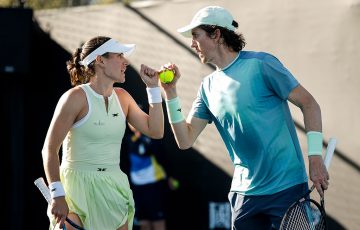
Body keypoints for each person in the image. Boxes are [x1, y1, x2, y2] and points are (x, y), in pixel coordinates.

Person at [160, 6, 329, 229]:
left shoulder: (262, 65)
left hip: (286, 187)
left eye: (195, 35)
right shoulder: (207, 87)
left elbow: (310, 104)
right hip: (244, 195)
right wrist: (170, 93)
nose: (192, 43)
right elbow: (185, 139)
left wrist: (315, 157)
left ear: (216, 34)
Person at [41, 36, 164, 230]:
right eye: (119, 55)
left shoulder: (123, 98)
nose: (125, 61)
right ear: (100, 60)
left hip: (113, 187)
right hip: (75, 189)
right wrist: (57, 194)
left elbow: (155, 131)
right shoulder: (74, 98)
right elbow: (49, 149)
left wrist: (153, 88)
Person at [124, 123, 169, 230]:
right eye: (130, 120)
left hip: (154, 185)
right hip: (137, 188)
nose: (133, 123)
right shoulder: (129, 140)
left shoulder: (152, 139)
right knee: (143, 223)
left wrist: (170, 177)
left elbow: (163, 159)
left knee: (158, 221)